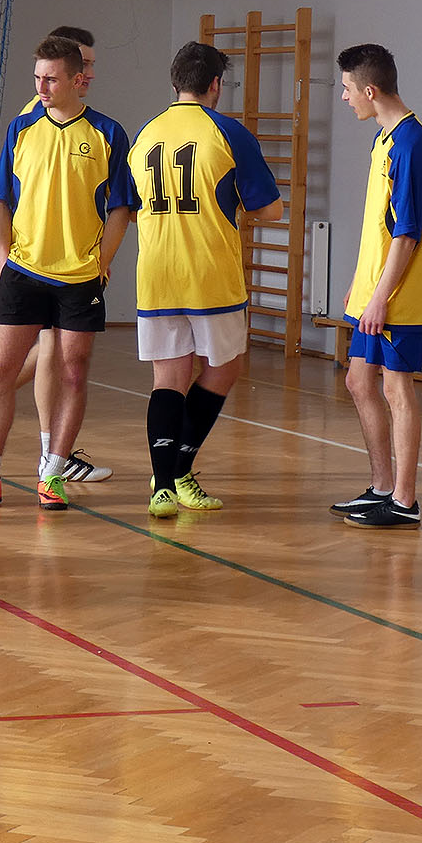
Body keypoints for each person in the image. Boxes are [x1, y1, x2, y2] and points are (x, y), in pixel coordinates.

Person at [0, 36, 138, 512]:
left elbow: (121, 208)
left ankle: (53, 473)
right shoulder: (21, 128)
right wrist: (2, 255)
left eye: (51, 79)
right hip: (23, 272)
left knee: (73, 372)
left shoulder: (108, 133)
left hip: (79, 278)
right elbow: (1, 199)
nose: (41, 87)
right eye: (37, 78)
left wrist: (101, 261)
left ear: (77, 80)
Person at [129, 42, 284, 518]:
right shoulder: (229, 132)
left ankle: (162, 488)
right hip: (210, 273)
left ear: (175, 81)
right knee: (223, 369)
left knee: (167, 378)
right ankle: (180, 470)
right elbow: (270, 209)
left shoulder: (146, 133)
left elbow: (131, 208)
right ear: (216, 84)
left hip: (157, 273)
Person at [327, 44, 422, 528]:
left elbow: (407, 233)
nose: (344, 97)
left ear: (370, 90)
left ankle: (405, 501)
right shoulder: (385, 138)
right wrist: (360, 284)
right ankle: (381, 488)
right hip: (373, 291)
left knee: (396, 388)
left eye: (348, 89)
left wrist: (379, 298)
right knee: (358, 381)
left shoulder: (412, 143)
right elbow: (380, 225)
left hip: (398, 297)